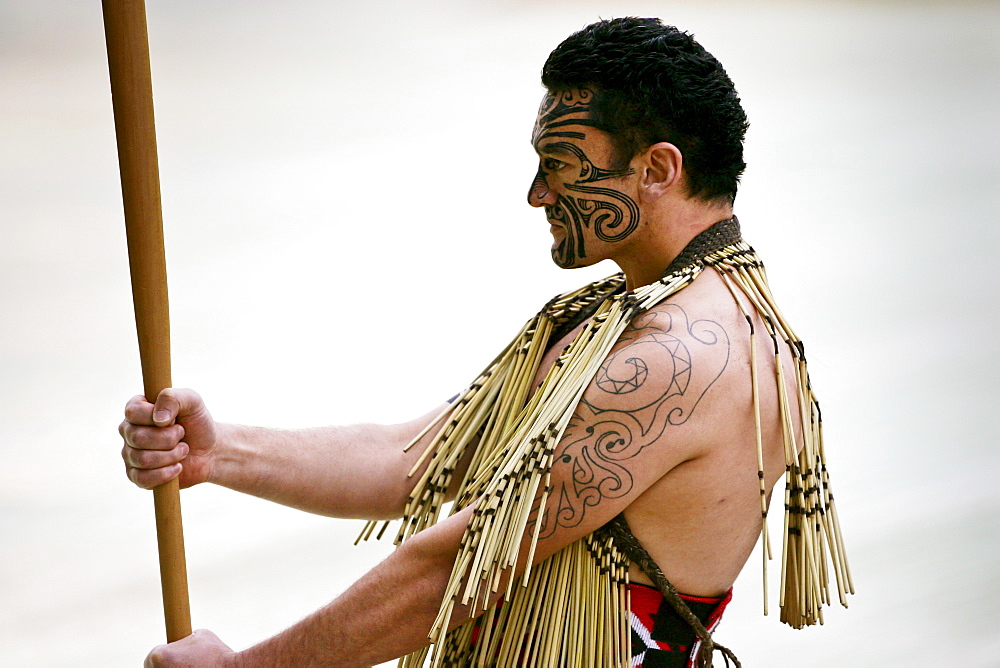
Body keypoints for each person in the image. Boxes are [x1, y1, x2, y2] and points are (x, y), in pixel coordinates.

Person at [121, 17, 849, 668]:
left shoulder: (685, 357)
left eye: (559, 165)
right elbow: (422, 458)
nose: (537, 194)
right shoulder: (615, 318)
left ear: (657, 168)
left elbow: (456, 569)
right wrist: (217, 453)